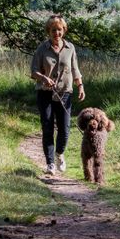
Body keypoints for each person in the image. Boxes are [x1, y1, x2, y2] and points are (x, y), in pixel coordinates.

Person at [30, 14, 85, 175]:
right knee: (47, 127)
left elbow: (75, 69)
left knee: (65, 129)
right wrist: (43, 78)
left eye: (59, 30)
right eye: (53, 30)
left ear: (64, 31)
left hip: (65, 92)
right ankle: (50, 164)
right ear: (49, 31)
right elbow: (33, 71)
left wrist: (80, 86)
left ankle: (59, 153)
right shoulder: (42, 48)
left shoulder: (70, 48)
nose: (56, 33)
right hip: (45, 93)